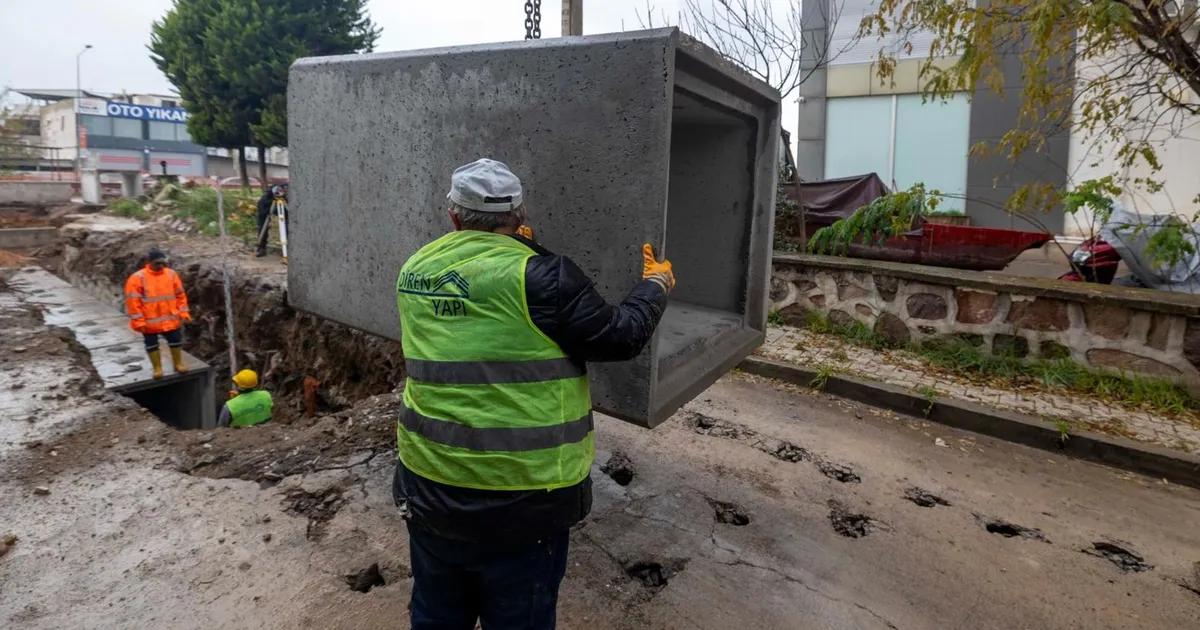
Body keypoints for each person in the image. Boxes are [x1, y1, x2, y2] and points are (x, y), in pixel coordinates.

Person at [394, 158, 675, 629]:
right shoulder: (545, 278)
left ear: (454, 216)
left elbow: (483, 303)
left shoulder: (414, 269)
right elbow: (620, 336)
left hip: (430, 484)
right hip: (522, 502)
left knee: (437, 614)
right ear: (520, 215)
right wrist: (655, 285)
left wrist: (524, 251)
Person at [124, 247, 191, 378]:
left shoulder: (171, 274)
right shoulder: (138, 278)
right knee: (151, 345)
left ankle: (178, 364)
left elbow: (180, 295)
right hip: (150, 321)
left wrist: (183, 312)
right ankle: (157, 369)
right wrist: (139, 321)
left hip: (170, 318)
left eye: (163, 263)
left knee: (176, 341)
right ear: (149, 262)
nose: (161, 266)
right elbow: (133, 302)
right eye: (157, 263)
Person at [254, 183, 287, 258]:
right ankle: (261, 248)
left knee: (289, 224)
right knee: (262, 226)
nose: (281, 192)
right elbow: (262, 211)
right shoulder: (266, 198)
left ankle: (288, 249)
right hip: (268, 204)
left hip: (284, 204)